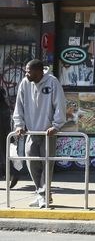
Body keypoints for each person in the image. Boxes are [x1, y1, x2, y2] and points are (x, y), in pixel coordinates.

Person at [12, 59, 66, 208]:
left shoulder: (52, 82)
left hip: (48, 132)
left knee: (47, 164)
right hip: (32, 131)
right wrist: (19, 125)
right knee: (32, 163)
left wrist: (56, 125)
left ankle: (43, 195)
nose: (26, 73)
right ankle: (41, 192)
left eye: (29, 71)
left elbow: (60, 104)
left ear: (39, 71)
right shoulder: (24, 83)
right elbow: (19, 105)